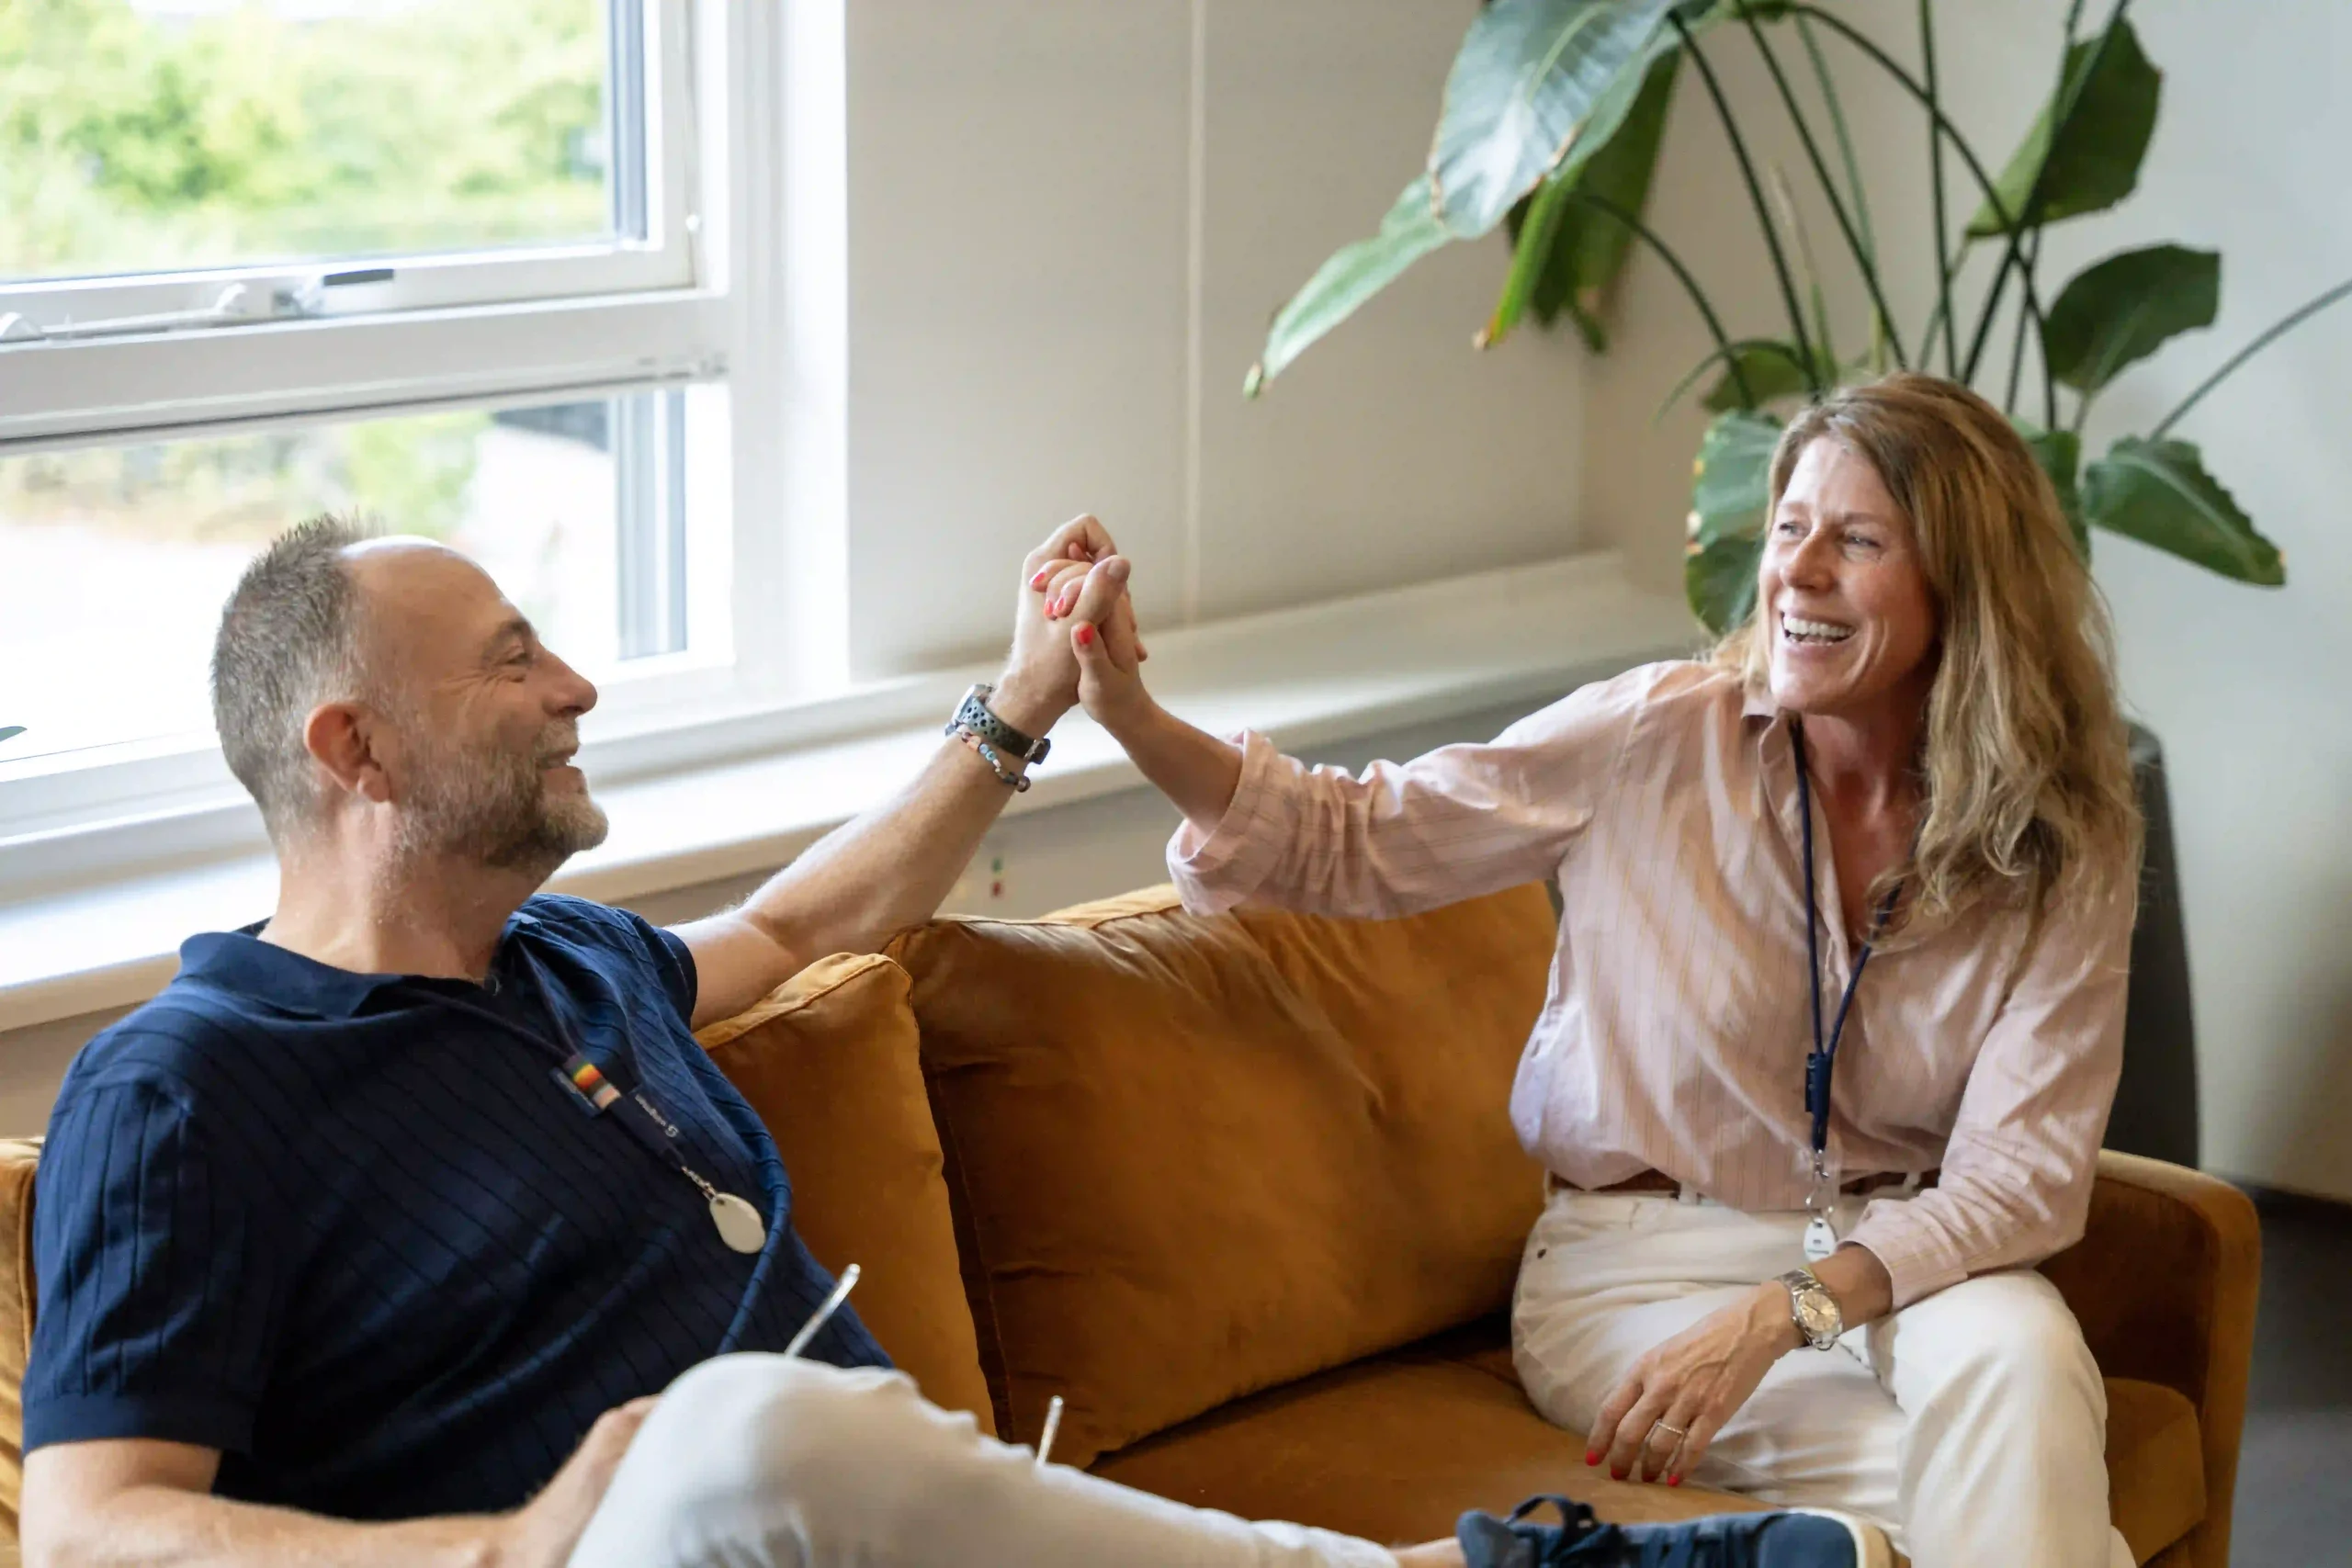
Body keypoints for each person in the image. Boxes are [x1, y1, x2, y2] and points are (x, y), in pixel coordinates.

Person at [20, 513, 1881, 1568]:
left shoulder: (564, 964)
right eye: (511, 659)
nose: (575, 684)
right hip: (638, 1536)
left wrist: (1020, 703)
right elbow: (99, 1523)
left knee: (790, 1435)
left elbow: (801, 925)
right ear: (351, 751)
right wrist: (509, 1544)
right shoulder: (185, 1087)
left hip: (866, 1525)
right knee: (744, 1427)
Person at [1055, 372, 2143, 1568]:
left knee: (2028, 1359)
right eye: (1789, 528)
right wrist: (1132, 716)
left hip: (1899, 1253)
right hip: (1639, 1265)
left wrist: (1786, 1309)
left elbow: (2022, 1178)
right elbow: (1353, 835)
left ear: (1967, 584)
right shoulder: (1654, 737)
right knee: (2022, 1484)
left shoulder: (2062, 834)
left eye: (1858, 540)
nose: (1799, 569)